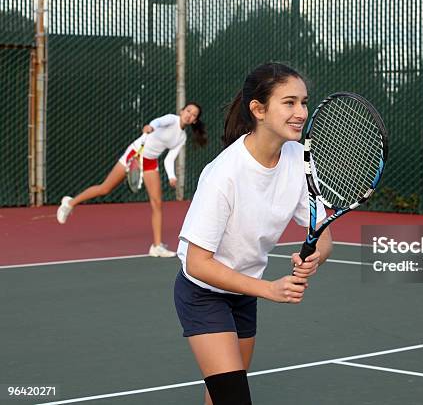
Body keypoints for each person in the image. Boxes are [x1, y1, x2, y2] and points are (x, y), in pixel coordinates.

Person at [174, 63, 332, 405]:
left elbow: (322, 232)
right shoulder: (223, 174)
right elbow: (197, 262)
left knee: (221, 397)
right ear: (258, 109)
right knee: (233, 398)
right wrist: (268, 289)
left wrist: (317, 255)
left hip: (243, 293)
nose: (301, 112)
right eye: (289, 102)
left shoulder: (301, 159)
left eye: (303, 102)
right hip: (204, 293)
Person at [56, 102, 208, 258]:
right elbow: (158, 122)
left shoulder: (181, 137)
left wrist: (171, 176)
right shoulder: (171, 119)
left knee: (157, 203)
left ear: (195, 120)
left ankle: (156, 246)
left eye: (193, 115)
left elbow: (169, 159)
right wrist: (150, 126)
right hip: (136, 154)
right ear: (182, 111)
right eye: (188, 111)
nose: (189, 115)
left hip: (150, 161)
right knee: (105, 188)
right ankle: (69, 203)